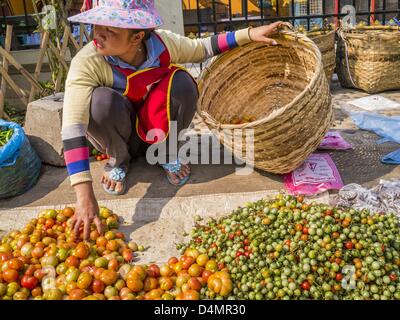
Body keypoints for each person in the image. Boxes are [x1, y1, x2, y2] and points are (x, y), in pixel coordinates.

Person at [64, 0, 290, 239]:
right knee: (99, 102)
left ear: (137, 37)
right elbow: (72, 127)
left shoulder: (162, 45)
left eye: (111, 30)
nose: (99, 34)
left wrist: (249, 34)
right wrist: (84, 196)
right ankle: (119, 160)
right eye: (97, 25)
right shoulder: (88, 61)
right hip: (120, 132)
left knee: (182, 83)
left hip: (157, 130)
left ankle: (166, 152)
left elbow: (203, 47)